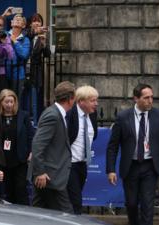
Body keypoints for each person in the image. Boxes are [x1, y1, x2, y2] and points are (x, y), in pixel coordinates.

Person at [106, 83, 159, 225]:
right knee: (131, 204)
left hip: (150, 166)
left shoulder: (158, 115)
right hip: (131, 166)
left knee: (147, 204)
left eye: (151, 97)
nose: (150, 101)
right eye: (146, 98)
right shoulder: (123, 117)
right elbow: (113, 146)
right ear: (136, 99)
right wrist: (111, 170)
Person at [28, 81, 76, 213]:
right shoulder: (53, 115)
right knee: (66, 215)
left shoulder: (56, 113)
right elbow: (38, 144)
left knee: (40, 214)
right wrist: (40, 172)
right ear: (70, 98)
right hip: (49, 177)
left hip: (50, 176)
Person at [65, 85, 98, 214]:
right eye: (92, 100)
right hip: (69, 164)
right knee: (76, 201)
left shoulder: (92, 115)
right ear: (81, 101)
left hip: (82, 164)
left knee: (75, 199)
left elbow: (92, 136)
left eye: (96, 100)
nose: (96, 104)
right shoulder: (70, 115)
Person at [0, 89, 34, 205]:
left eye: (11, 102)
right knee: (8, 190)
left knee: (21, 188)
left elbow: (30, 135)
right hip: (4, 160)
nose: (9, 105)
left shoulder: (23, 116)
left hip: (19, 158)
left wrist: (31, 151)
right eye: (6, 102)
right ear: (1, 102)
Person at [25, 13, 51, 124]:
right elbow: (28, 35)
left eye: (39, 21)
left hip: (36, 70)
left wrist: (44, 44)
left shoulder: (42, 37)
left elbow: (47, 55)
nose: (36, 23)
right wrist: (36, 32)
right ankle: (27, 119)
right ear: (30, 24)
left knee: (36, 96)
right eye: (34, 21)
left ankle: (36, 121)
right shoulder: (26, 33)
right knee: (25, 95)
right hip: (24, 68)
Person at [7, 14, 30, 98]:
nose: (17, 20)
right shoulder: (5, 35)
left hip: (18, 75)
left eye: (19, 19)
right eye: (15, 19)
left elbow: (24, 55)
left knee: (16, 99)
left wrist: (15, 42)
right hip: (4, 72)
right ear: (11, 23)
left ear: (23, 25)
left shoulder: (25, 40)